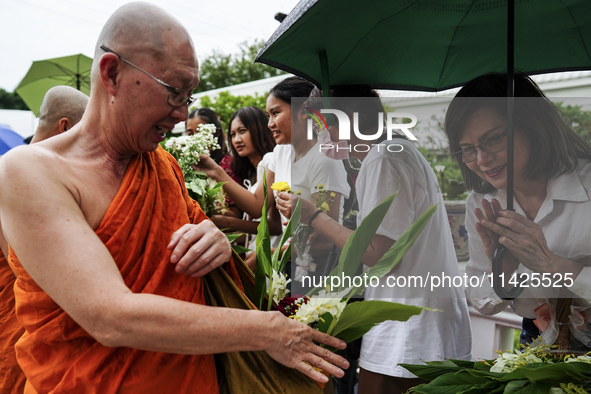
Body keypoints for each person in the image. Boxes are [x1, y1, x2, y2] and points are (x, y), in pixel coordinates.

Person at [0, 3, 348, 393]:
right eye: (174, 92)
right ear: (112, 73)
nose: (183, 114)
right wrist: (268, 331)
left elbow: (197, 235)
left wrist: (217, 242)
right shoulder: (29, 171)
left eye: (189, 96)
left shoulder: (160, 164)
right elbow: (109, 316)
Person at [278, 86, 472, 394]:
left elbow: (377, 253)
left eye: (322, 122)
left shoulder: (383, 160)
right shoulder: (396, 152)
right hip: (417, 320)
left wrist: (314, 216)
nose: (320, 133)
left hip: (408, 328)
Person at [445, 72, 591, 349]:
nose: (481, 159)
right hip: (539, 338)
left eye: (491, 140)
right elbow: (482, 300)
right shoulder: (483, 202)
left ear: (532, 125)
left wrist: (551, 263)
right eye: (467, 149)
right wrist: (504, 274)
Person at [196, 77, 350, 277]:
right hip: (288, 266)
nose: (270, 124)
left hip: (319, 274)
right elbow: (256, 204)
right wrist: (215, 172)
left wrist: (270, 254)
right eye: (268, 115)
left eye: (276, 113)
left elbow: (325, 241)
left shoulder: (324, 160)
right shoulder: (281, 152)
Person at [0, 85, 89, 394]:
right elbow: (21, 268)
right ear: (64, 126)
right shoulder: (15, 173)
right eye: (84, 131)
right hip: (22, 319)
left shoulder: (49, 172)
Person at [208, 106, 282, 268]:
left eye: (242, 131)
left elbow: (275, 226)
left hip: (273, 257)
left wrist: (228, 222)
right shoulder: (250, 175)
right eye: (233, 134)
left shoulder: (271, 162)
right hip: (256, 257)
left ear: (259, 130)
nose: (237, 140)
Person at [186, 107, 242, 217]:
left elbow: (237, 214)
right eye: (190, 134)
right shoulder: (189, 168)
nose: (195, 138)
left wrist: (204, 208)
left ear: (217, 133)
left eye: (200, 132)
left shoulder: (228, 165)